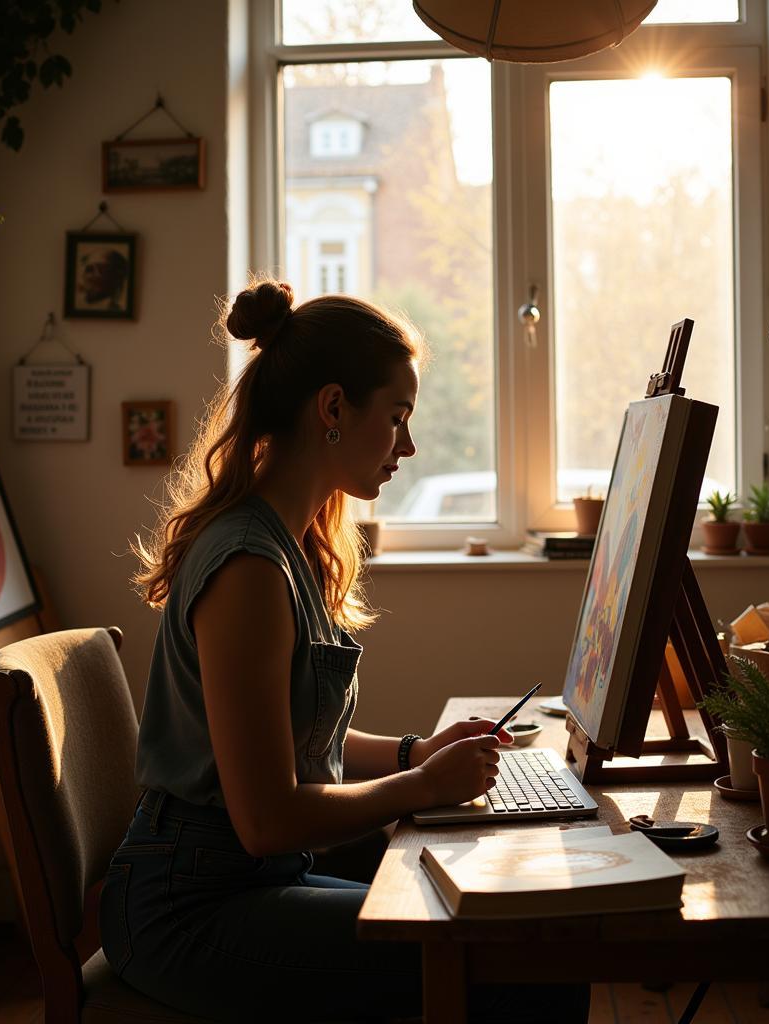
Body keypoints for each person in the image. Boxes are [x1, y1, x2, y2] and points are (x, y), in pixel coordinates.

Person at [99, 279, 591, 1022]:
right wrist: (424, 788)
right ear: (333, 409)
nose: (409, 444)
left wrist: (413, 754)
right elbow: (267, 817)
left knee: (515, 930)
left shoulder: (286, 542)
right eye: (396, 419)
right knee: (518, 962)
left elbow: (296, 742)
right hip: (186, 910)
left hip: (247, 878)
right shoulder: (247, 568)